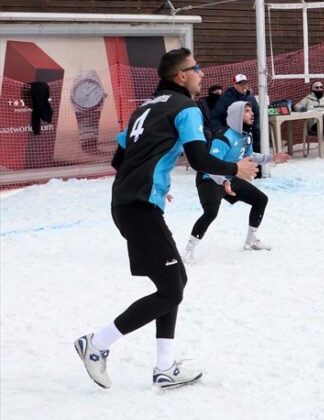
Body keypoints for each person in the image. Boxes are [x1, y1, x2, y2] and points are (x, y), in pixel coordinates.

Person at [74, 48, 257, 391]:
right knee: (172, 289)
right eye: (197, 68)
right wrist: (237, 168)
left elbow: (119, 160)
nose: (202, 74)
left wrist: (153, 181)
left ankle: (164, 367)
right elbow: (200, 159)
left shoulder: (143, 108)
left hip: (130, 202)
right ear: (180, 76)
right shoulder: (186, 108)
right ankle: (96, 344)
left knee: (174, 283)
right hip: (139, 205)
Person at [185, 102, 290, 262]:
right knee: (211, 212)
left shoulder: (246, 135)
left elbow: (250, 156)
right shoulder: (224, 138)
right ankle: (189, 250)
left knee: (260, 199)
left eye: (251, 111)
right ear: (237, 116)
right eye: (247, 111)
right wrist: (223, 182)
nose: (252, 114)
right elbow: (210, 166)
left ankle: (251, 241)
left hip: (229, 176)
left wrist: (271, 157)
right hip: (209, 178)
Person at [295, 80, 324, 160]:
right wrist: (302, 109)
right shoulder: (307, 99)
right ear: (312, 89)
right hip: (314, 123)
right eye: (317, 87)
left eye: (321, 87)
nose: (319, 89)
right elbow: (296, 106)